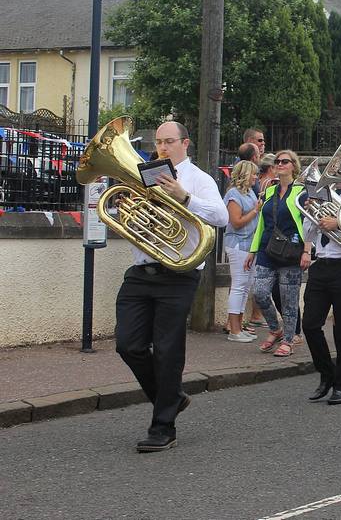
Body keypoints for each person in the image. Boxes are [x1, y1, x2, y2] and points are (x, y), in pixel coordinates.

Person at [113, 121, 228, 452]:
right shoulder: (142, 176)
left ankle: (163, 426)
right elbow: (133, 221)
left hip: (179, 273)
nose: (162, 147)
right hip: (141, 271)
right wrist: (125, 212)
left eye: (169, 142)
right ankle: (172, 397)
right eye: (159, 142)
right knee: (128, 344)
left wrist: (185, 198)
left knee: (167, 350)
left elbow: (220, 217)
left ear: (185, 143)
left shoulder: (199, 180)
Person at [300, 181, 341, 405]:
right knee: (309, 323)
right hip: (322, 264)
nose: (335, 174)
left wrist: (338, 222)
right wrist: (310, 214)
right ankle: (327, 373)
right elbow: (307, 234)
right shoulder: (322, 194)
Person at [245, 150, 309, 358]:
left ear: (293, 166)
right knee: (260, 292)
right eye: (277, 161)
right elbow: (262, 223)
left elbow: (308, 224)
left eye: (285, 161)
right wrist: (253, 250)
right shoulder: (269, 191)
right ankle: (275, 329)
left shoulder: (302, 191)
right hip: (267, 249)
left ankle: (289, 340)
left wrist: (306, 250)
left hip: (291, 250)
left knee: (289, 299)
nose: (280, 164)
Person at [222, 160, 262, 343]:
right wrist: (255, 211)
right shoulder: (233, 194)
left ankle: (239, 326)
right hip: (238, 244)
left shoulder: (249, 193)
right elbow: (236, 222)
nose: (256, 177)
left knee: (245, 286)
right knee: (239, 286)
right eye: (253, 173)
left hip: (249, 246)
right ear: (245, 175)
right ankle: (234, 330)